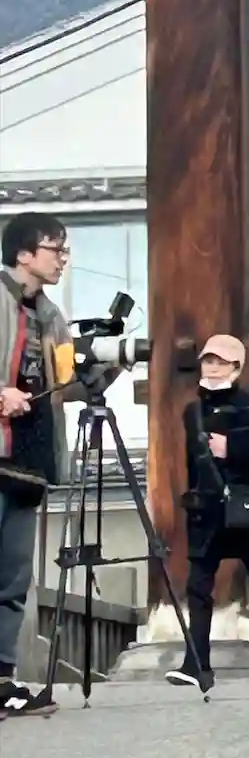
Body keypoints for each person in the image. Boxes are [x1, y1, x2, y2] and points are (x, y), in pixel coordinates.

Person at [166, 334, 249, 691]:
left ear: (236, 368)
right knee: (198, 589)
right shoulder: (192, 411)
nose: (212, 367)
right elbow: (193, 465)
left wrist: (233, 446)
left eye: (221, 362)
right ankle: (197, 666)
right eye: (208, 360)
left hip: (247, 511)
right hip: (207, 514)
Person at [0, 213, 88, 718]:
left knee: (13, 582)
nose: (62, 260)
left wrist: (101, 370)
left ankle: (2, 681)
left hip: (29, 462)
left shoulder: (52, 316)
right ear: (24, 254)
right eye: (56, 249)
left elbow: (62, 385)